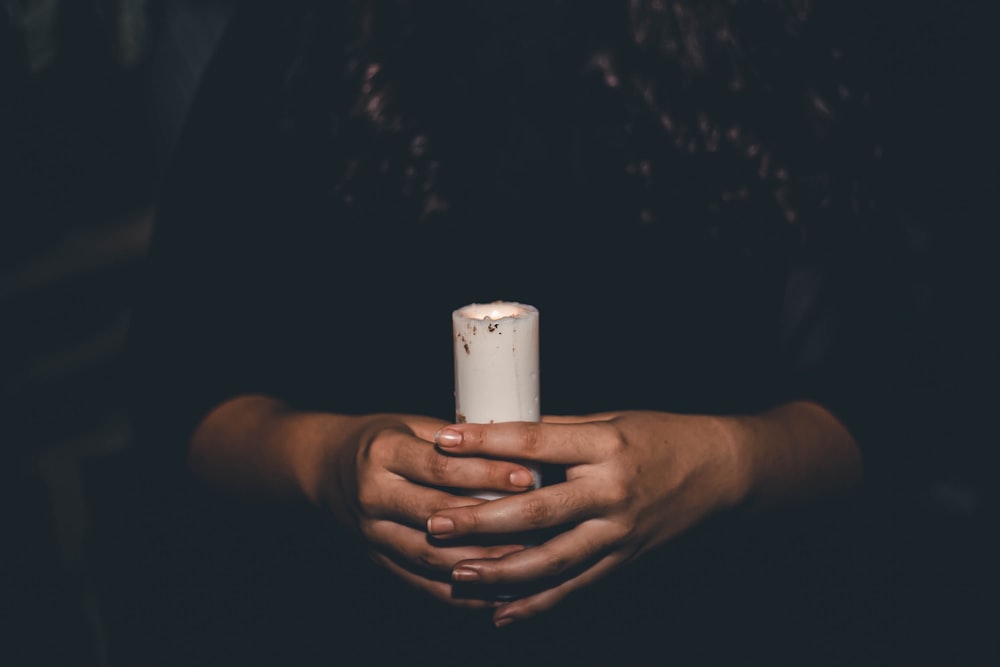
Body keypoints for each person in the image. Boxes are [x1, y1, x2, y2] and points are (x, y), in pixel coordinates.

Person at [124, 1, 912, 664]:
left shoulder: (778, 29)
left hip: (725, 621)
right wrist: (324, 463)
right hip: (371, 631)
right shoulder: (310, 27)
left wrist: (724, 464)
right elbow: (180, 389)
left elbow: (896, 398)